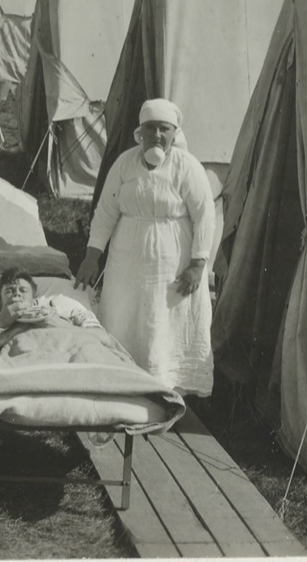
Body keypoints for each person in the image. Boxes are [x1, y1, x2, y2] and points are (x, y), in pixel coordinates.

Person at [74, 98, 215, 396]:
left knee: (161, 323)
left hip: (172, 264)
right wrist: (92, 256)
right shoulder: (125, 163)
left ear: (174, 132)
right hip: (126, 261)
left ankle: (164, 388)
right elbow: (106, 211)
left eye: (164, 129)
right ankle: (120, 381)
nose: (157, 135)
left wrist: (197, 264)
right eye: (151, 128)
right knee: (123, 316)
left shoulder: (187, 167)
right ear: (141, 132)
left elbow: (205, 215)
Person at [0, 267, 106, 364]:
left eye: (23, 290)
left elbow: (101, 337)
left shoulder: (57, 307)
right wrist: (1, 321)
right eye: (9, 291)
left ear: (34, 299)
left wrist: (52, 321)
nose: (16, 294)